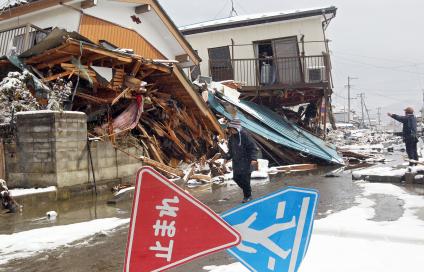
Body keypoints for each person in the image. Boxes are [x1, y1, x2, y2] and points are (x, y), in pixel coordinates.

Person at [224, 118, 259, 203]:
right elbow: (231, 150)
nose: (231, 130)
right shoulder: (231, 138)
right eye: (230, 129)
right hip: (237, 163)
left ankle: (247, 196)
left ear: (236, 128)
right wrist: (227, 157)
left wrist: (253, 158)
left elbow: (253, 148)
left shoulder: (245, 136)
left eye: (232, 129)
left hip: (246, 162)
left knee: (245, 180)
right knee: (236, 178)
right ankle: (248, 192)